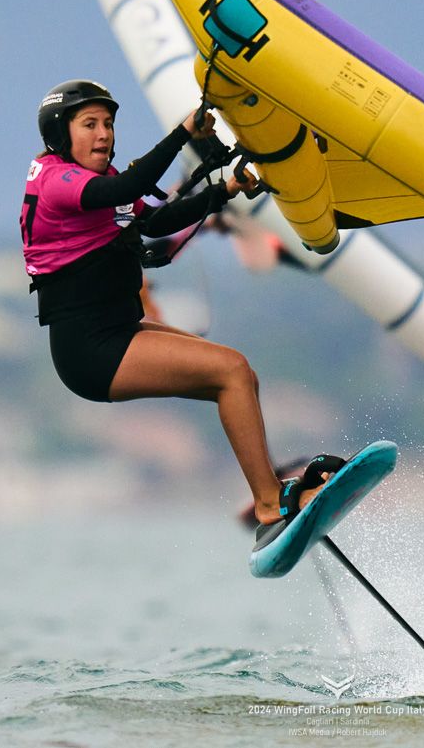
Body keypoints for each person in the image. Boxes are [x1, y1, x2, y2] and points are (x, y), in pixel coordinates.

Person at [20, 79, 323, 531]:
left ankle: (269, 493)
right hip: (91, 349)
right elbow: (130, 188)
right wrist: (185, 131)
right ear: (61, 135)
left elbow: (157, 218)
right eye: (90, 124)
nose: (104, 134)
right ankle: (269, 503)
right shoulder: (57, 181)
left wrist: (227, 189)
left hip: (118, 329)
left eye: (108, 123)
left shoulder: (98, 182)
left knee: (241, 378)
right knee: (232, 371)